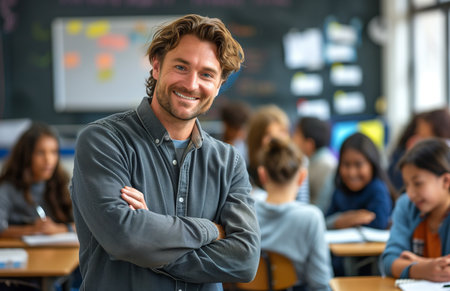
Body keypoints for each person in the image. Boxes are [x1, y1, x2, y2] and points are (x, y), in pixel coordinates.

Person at [70, 14, 260, 291]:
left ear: (219, 85)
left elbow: (244, 261)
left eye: (207, 74)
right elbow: (124, 238)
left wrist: (150, 239)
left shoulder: (228, 162)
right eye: (181, 67)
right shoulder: (103, 141)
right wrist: (211, 230)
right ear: (157, 66)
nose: (192, 84)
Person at [255, 138, 332, 291]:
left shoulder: (245, 211)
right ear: (302, 177)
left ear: (262, 175)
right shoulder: (311, 218)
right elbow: (321, 282)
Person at [381, 138, 450, 281]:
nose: (411, 193)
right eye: (406, 184)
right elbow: (388, 261)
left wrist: (420, 263)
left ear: (446, 181)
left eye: (418, 184)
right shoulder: (406, 205)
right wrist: (422, 269)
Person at [0, 122, 73, 238]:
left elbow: (83, 224)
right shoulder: (7, 189)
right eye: (40, 153)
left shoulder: (59, 184)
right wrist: (33, 229)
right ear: (26, 155)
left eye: (53, 152)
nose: (48, 160)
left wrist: (59, 229)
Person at [326, 132, 393, 230]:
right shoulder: (340, 190)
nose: (352, 173)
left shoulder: (377, 189)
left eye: (358, 164)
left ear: (372, 165)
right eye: (346, 164)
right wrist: (349, 218)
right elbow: (325, 220)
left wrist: (344, 220)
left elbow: (380, 223)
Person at [246, 104, 309, 203]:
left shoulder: (299, 163)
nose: (276, 139)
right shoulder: (247, 171)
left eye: (282, 132)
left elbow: (303, 202)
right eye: (268, 134)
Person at [293, 117, 337, 213]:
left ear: (309, 144)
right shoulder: (310, 162)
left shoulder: (326, 165)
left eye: (296, 134)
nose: (292, 138)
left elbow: (321, 208)